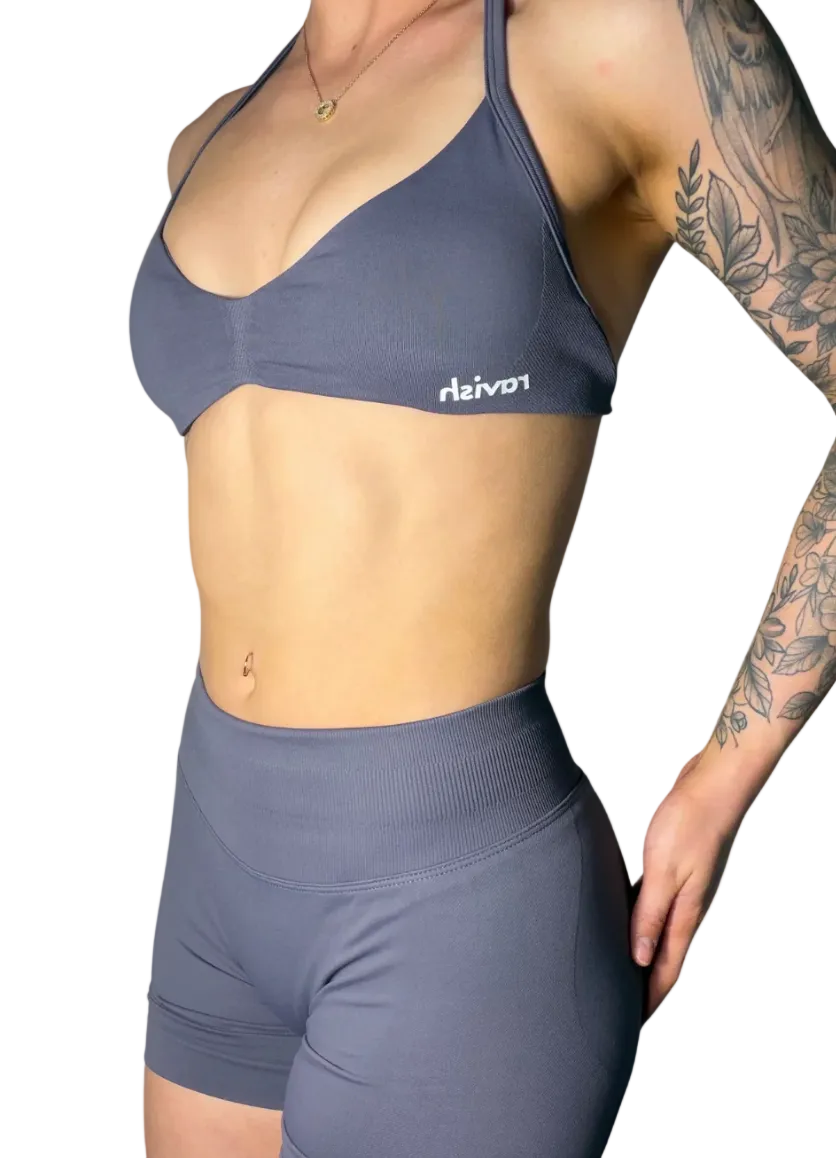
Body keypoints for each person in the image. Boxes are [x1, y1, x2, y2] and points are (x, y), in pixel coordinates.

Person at [128, 0, 836, 1155]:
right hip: (214, 863)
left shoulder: (621, 42)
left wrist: (721, 777)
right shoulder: (212, 135)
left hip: (457, 894)